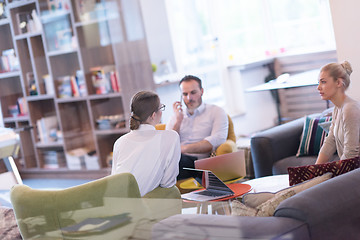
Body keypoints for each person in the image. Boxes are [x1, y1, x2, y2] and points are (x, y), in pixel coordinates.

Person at [111, 91, 181, 196]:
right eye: (161, 108)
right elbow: (167, 183)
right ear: (153, 115)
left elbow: (114, 179)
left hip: (115, 203)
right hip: (143, 207)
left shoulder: (120, 142)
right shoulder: (171, 137)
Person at [166, 75, 228, 179]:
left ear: (202, 91)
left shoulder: (216, 111)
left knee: (170, 161)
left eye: (193, 93)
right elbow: (167, 145)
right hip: (178, 160)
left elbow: (217, 140)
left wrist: (181, 149)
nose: (189, 98)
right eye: (185, 94)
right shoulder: (176, 117)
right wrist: (178, 121)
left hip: (199, 163)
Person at [316, 61, 360, 164]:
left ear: (338, 83)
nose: (318, 87)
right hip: (349, 171)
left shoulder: (350, 109)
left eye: (323, 82)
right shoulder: (337, 109)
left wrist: (337, 177)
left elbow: (351, 155)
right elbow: (331, 140)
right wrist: (314, 170)